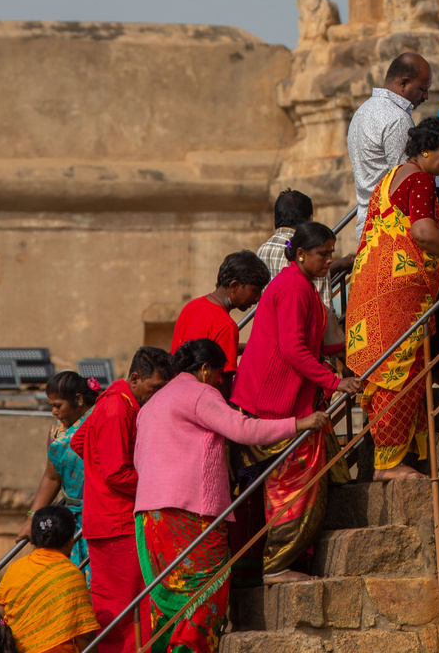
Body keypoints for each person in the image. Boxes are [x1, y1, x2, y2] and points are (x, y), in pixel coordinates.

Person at [133, 339, 328, 653]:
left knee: (167, 598)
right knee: (205, 596)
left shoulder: (153, 403)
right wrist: (299, 423)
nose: (221, 381)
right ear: (207, 369)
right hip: (189, 512)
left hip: (149, 517)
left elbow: (138, 461)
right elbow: (243, 430)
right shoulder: (198, 393)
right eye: (220, 373)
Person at [346, 118, 439, 476]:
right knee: (400, 369)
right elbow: (424, 233)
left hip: (371, 286)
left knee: (386, 366)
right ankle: (389, 463)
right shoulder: (422, 179)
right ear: (426, 150)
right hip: (399, 290)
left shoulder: (390, 177)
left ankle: (399, 453)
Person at [230, 222, 363, 585]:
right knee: (292, 483)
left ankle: (293, 557)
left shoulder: (300, 286)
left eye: (331, 254)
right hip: (273, 404)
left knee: (316, 472)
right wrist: (336, 382)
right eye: (323, 254)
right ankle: (277, 564)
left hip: (290, 400)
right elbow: (292, 349)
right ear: (301, 254)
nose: (328, 261)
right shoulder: (292, 288)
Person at [70, 346, 172, 653]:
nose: (156, 396)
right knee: (128, 607)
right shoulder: (117, 409)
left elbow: (79, 441)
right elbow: (117, 473)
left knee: (118, 602)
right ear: (136, 379)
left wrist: (97, 464)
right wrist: (160, 485)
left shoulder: (114, 402)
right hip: (118, 521)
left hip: (105, 517)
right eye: (154, 388)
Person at [16, 371, 98, 578]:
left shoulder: (100, 422)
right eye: (51, 405)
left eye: (58, 405)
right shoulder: (57, 432)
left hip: (98, 512)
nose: (53, 412)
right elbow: (51, 477)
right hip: (71, 516)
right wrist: (31, 519)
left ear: (79, 399)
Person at [0, 506, 98, 653]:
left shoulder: (15, 568)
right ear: (70, 541)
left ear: (33, 540)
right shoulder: (72, 575)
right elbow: (85, 635)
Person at [347, 53, 433, 210]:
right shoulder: (398, 119)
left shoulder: (363, 110)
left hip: (367, 219)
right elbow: (407, 180)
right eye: (423, 89)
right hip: (388, 223)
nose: (426, 96)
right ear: (403, 83)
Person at [170, 251, 270, 383]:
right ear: (234, 286)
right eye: (255, 291)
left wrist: (243, 348)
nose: (258, 298)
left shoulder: (191, 307)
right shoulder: (227, 326)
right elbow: (222, 383)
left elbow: (200, 351)